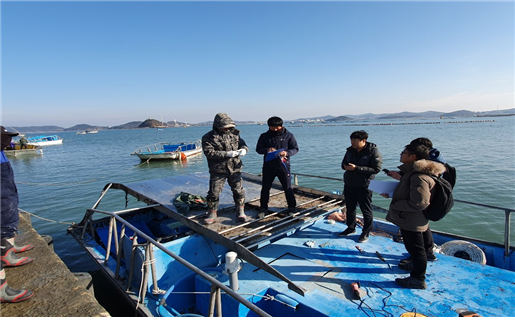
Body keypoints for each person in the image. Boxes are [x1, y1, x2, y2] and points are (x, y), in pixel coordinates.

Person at [382, 143, 446, 289]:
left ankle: (418, 279)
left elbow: (420, 203)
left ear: (413, 157)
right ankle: (416, 272)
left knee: (417, 251)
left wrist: (396, 205)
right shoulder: (414, 173)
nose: (400, 154)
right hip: (414, 218)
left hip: (412, 220)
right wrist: (393, 195)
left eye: (404, 152)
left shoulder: (419, 177)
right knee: (417, 250)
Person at [0, 126, 34, 302]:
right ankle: (1, 289)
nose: (9, 141)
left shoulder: (2, 153)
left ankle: (8, 253)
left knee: (9, 221)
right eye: (5, 137)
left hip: (6, 194)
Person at [202, 113, 249, 224]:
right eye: (224, 126)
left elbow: (243, 144)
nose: (227, 128)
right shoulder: (208, 137)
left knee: (238, 190)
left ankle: (240, 210)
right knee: (214, 192)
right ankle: (212, 212)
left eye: (228, 126)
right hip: (218, 169)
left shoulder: (235, 134)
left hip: (235, 167)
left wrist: (244, 149)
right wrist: (227, 154)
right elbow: (209, 153)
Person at [338, 130, 382, 243]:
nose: (352, 143)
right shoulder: (349, 151)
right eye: (351, 140)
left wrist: (357, 168)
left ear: (363, 141)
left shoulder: (373, 152)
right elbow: (343, 164)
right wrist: (346, 167)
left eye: (355, 141)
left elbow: (376, 169)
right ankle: (350, 228)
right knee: (350, 208)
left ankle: (366, 231)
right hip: (349, 184)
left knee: (366, 210)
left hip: (364, 186)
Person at [256, 116, 299, 218]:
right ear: (269, 126)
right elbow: (258, 149)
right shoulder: (264, 136)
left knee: (287, 188)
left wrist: (286, 153)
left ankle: (292, 207)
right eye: (272, 127)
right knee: (265, 188)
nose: (275, 129)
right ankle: (263, 208)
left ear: (281, 126)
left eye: (277, 127)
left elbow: (295, 149)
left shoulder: (289, 135)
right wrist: (267, 150)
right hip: (268, 166)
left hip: (283, 166)